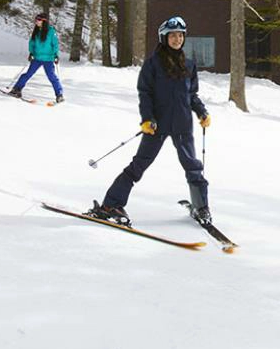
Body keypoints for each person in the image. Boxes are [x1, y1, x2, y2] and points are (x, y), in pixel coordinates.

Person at [88, 16, 212, 226]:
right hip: (157, 126)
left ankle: (202, 208)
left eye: (181, 35)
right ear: (164, 38)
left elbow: (192, 95)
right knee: (139, 165)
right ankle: (111, 205)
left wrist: (201, 112)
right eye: (173, 35)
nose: (177, 39)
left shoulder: (189, 65)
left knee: (193, 167)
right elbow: (145, 93)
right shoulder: (153, 64)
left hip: (182, 125)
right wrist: (147, 119)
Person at [7, 13, 64, 102]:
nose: (36, 21)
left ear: (44, 21)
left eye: (38, 19)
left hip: (48, 59)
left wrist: (55, 55)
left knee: (52, 77)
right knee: (28, 74)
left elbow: (55, 44)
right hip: (37, 58)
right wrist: (31, 53)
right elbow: (32, 43)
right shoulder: (36, 31)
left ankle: (59, 95)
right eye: (36, 19)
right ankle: (17, 89)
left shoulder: (51, 31)